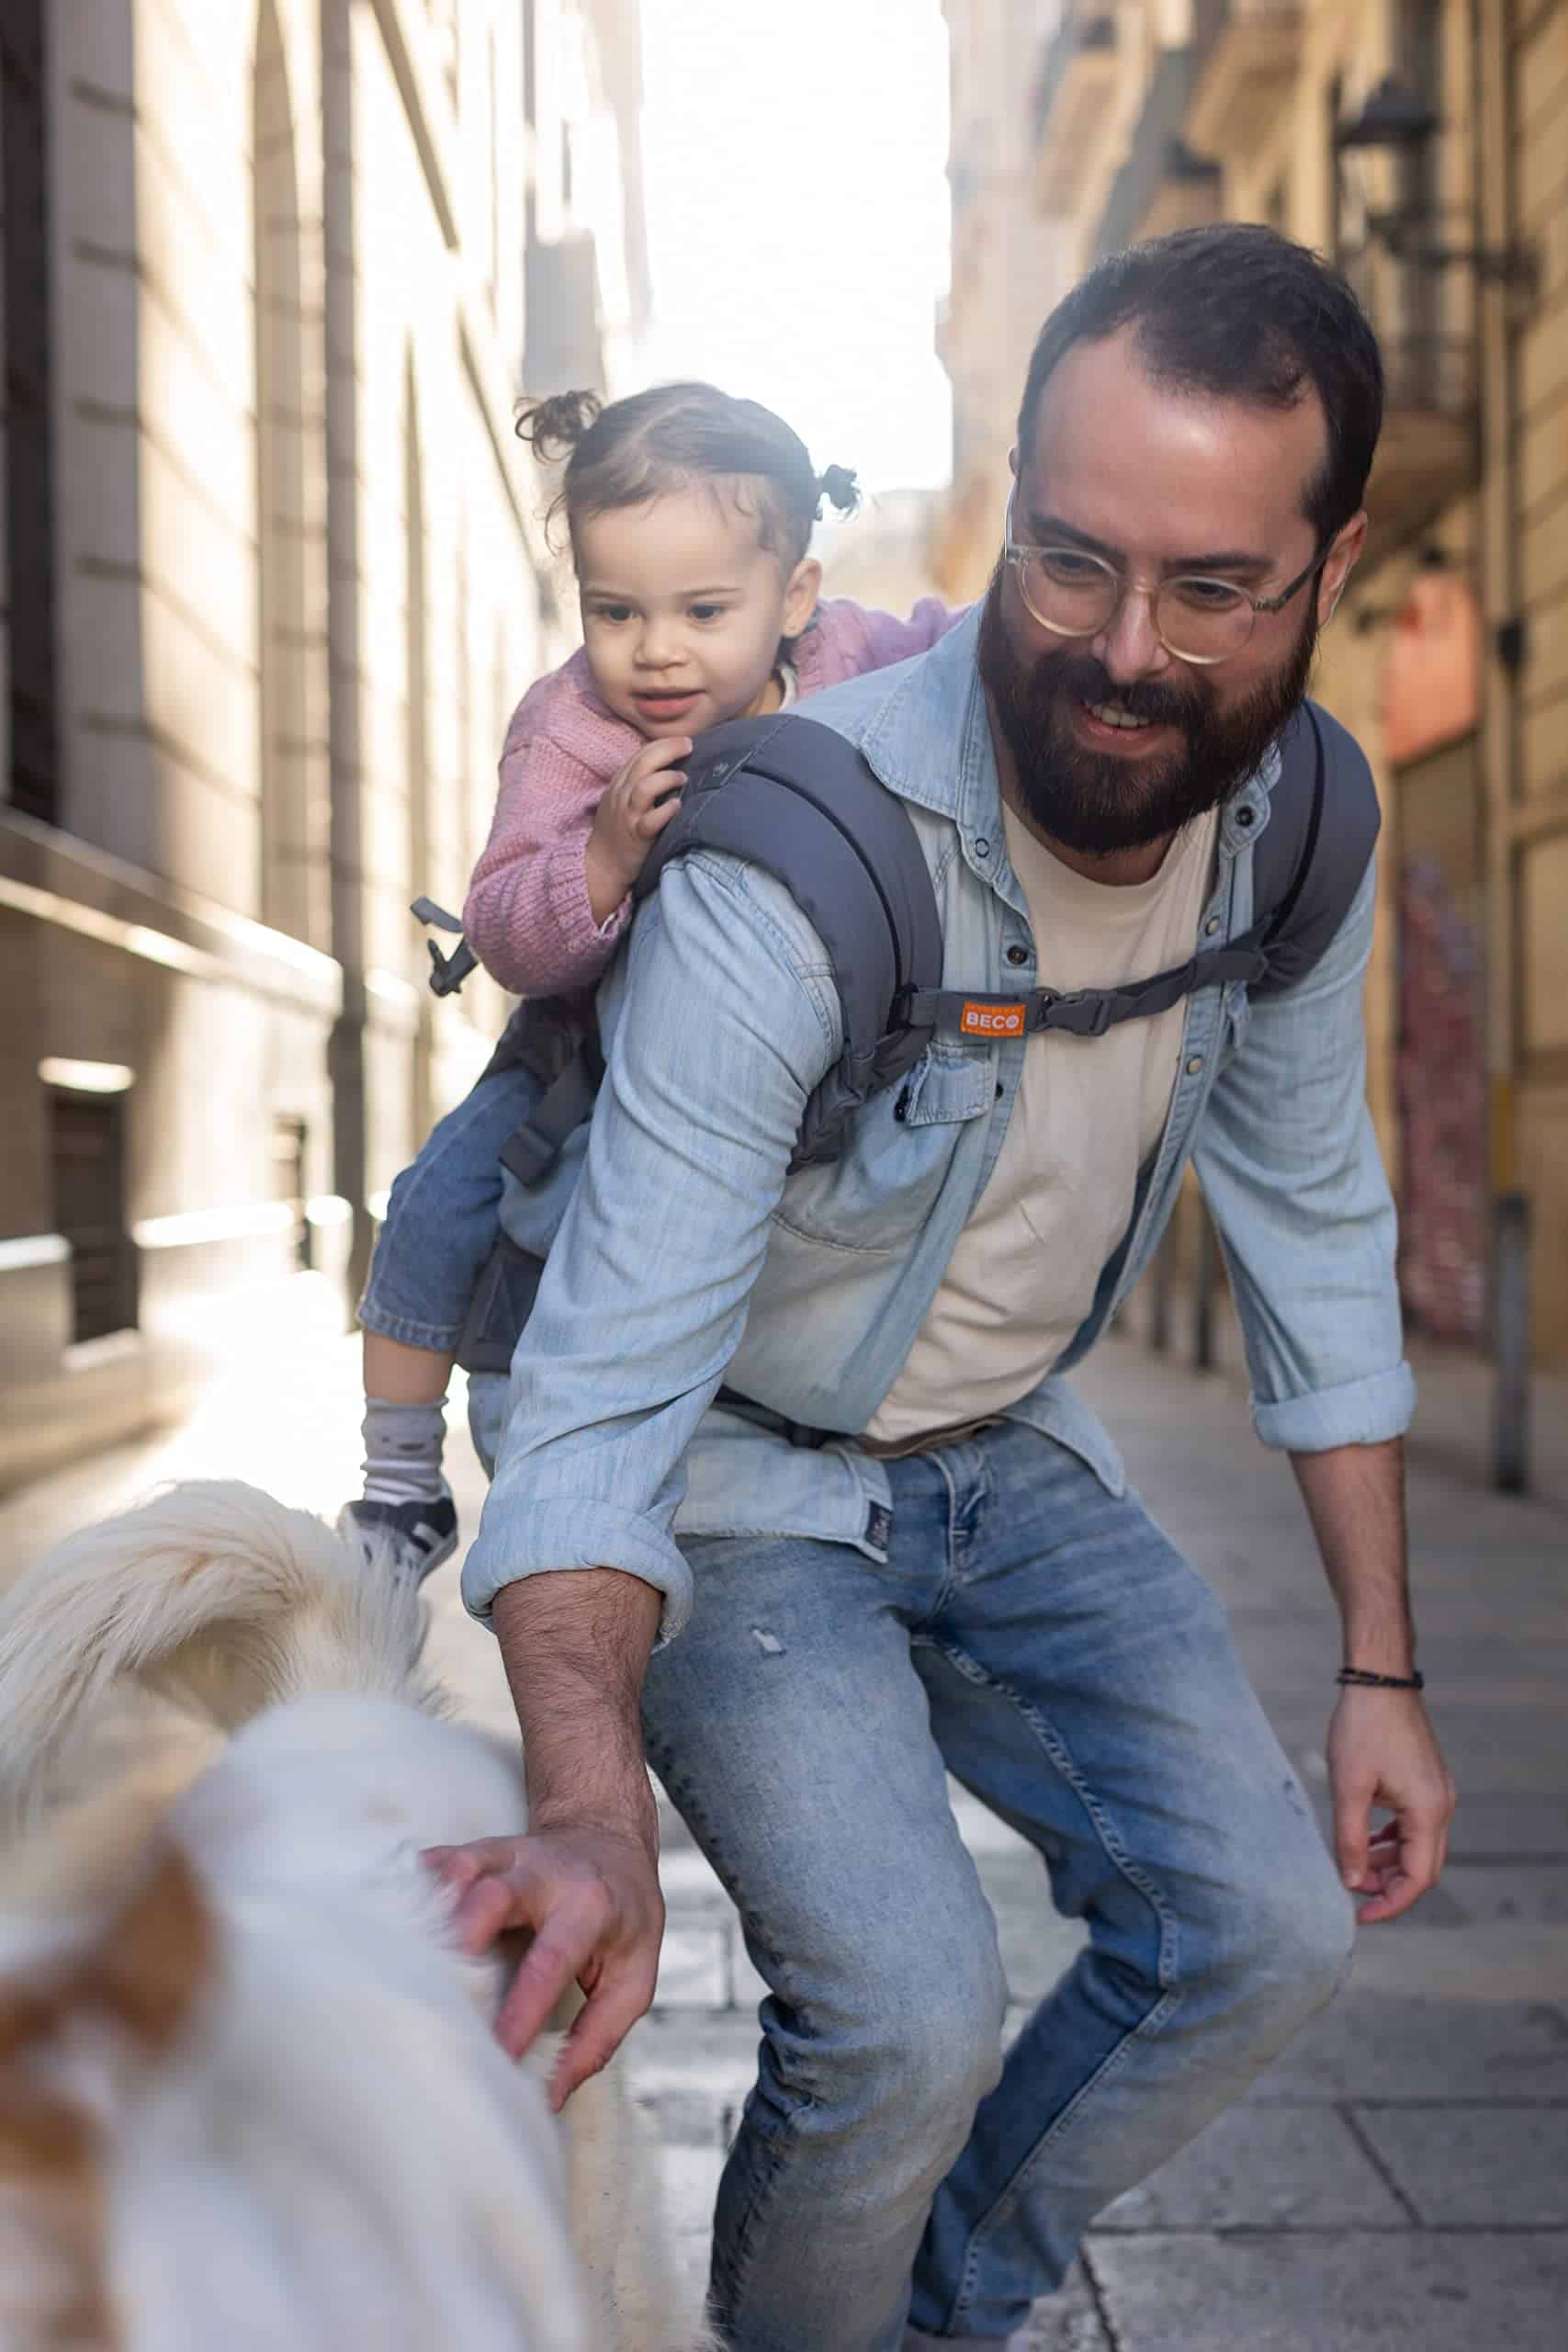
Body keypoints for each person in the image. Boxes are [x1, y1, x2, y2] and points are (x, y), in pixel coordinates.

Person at [427, 227, 1457, 2352]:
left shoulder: (1299, 824)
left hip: (1003, 1456)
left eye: (1210, 589)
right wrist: (586, 1818)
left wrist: (1377, 1663)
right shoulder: (792, 847)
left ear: (1324, 564)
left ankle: (932, 2308)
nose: (1120, 650)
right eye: (1068, 561)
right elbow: (606, 1375)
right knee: (899, 2014)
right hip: (729, 1469)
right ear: (1003, 491)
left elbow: (1312, 1214)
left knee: (1260, 1929)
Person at [341, 382, 961, 1577]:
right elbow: (509, 924)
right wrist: (602, 857)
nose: (656, 649)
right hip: (580, 1046)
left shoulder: (848, 656)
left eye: (703, 610)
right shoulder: (572, 727)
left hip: (802, 1030)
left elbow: (958, 642)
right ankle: (400, 1484)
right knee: (434, 1206)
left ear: (795, 597)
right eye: (614, 610)